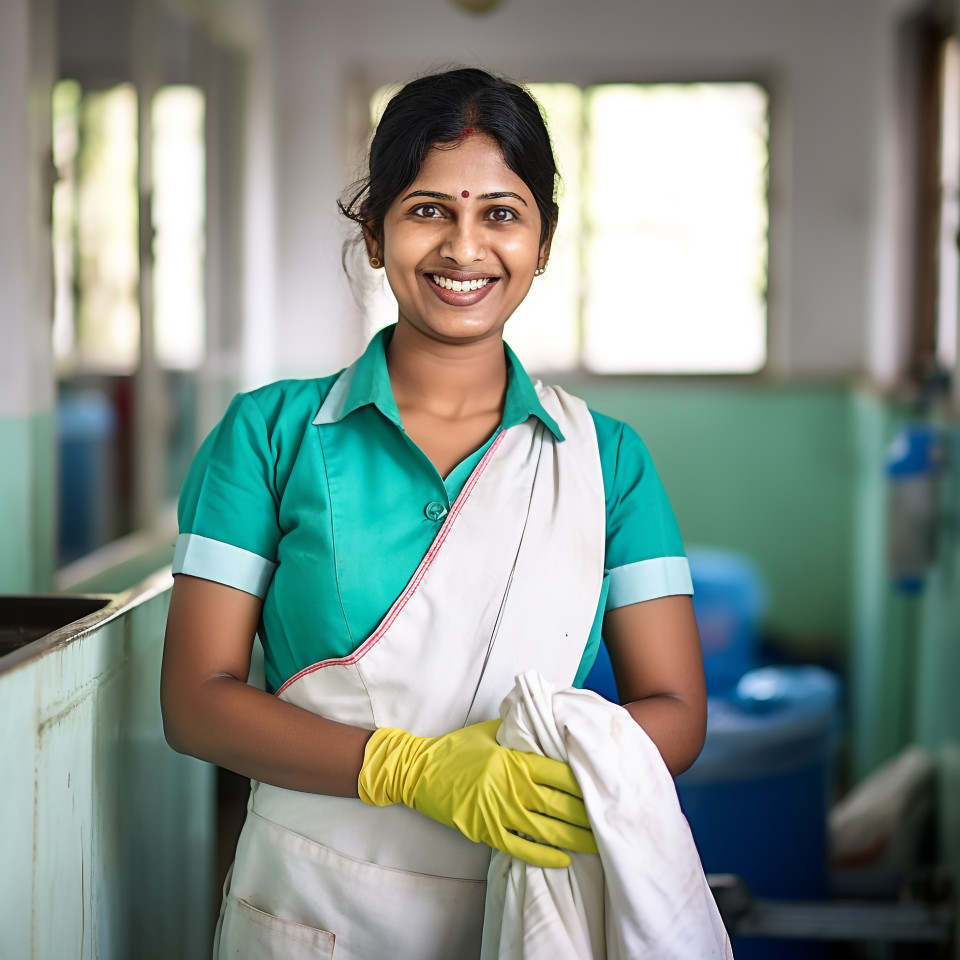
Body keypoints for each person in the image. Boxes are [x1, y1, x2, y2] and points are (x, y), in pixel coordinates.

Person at [160, 67, 707, 960]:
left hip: (521, 898)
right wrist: (407, 768)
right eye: (427, 211)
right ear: (374, 233)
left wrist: (547, 774)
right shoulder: (266, 436)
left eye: (500, 212)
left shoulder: (608, 463)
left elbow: (678, 707)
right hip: (306, 902)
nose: (464, 248)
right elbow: (194, 701)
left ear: (542, 239)